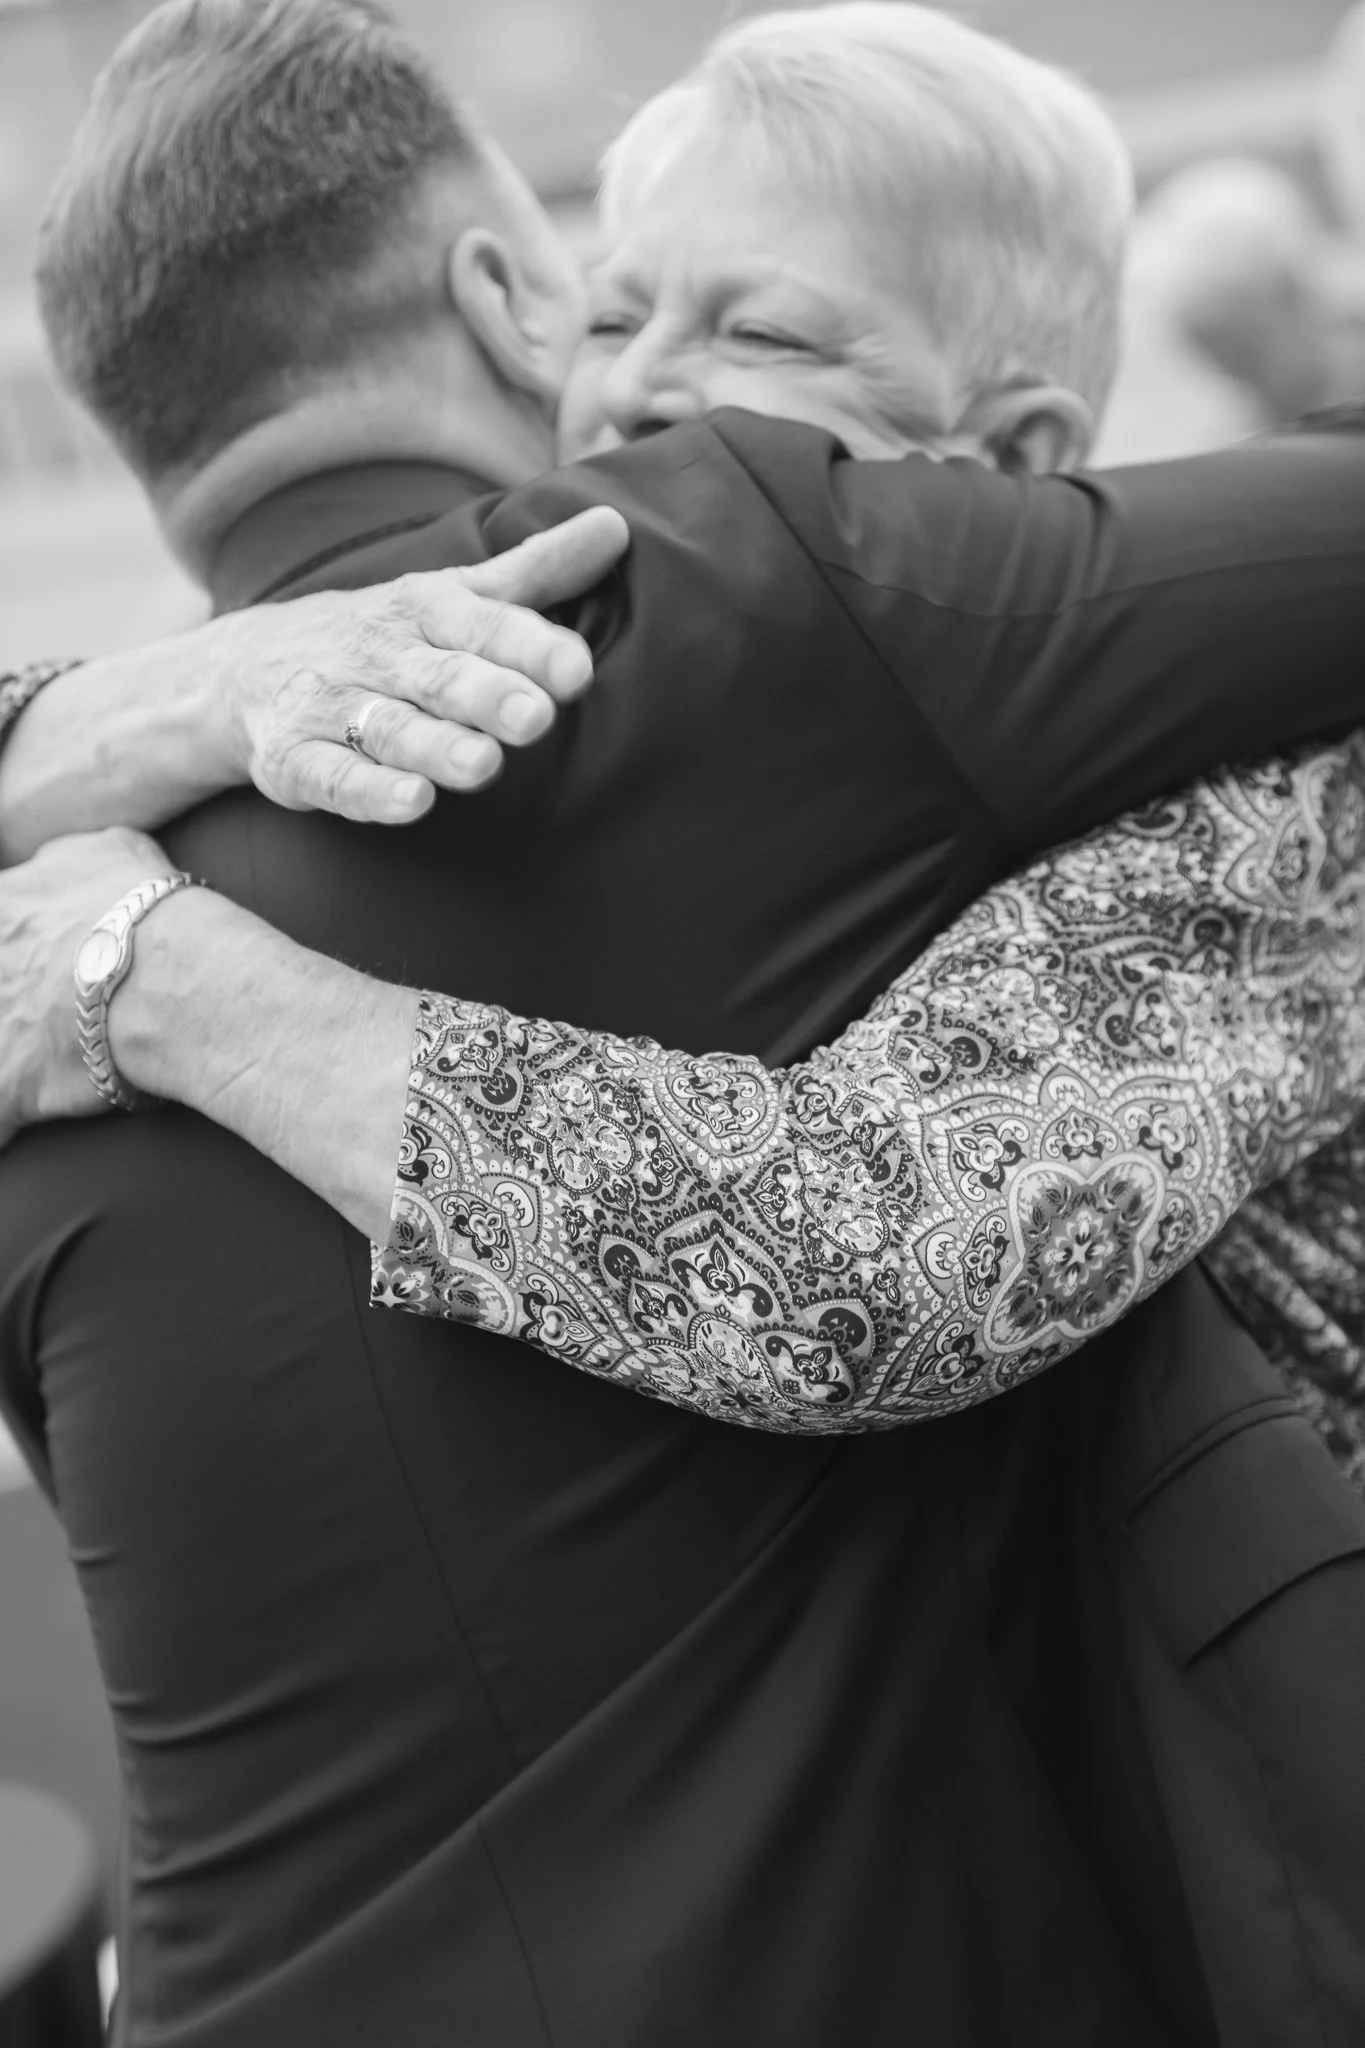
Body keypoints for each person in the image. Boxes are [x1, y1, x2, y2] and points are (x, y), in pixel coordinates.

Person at [6, 3, 1365, 2042]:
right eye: (616, 313)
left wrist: (169, 975)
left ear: (1011, 477)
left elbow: (859, 1258)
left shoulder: (1269, 804)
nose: (647, 402)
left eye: (771, 350)